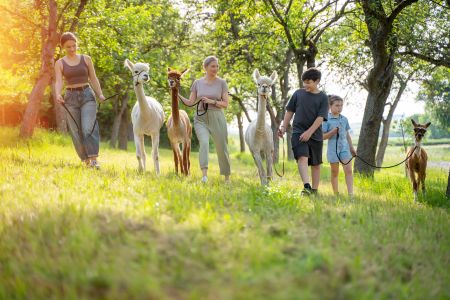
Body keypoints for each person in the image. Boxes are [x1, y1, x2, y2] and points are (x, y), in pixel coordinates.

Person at [54, 32, 105, 169]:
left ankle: (94, 159)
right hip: (70, 98)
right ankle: (86, 160)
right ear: (63, 47)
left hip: (87, 95)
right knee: (76, 131)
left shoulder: (86, 59)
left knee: (88, 127)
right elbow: (59, 81)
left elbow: (93, 78)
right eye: (68, 47)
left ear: (77, 44)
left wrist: (100, 94)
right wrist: (58, 93)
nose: (72, 49)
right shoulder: (60, 63)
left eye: (74, 45)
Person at [178, 56, 231, 183]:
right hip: (201, 118)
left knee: (221, 147)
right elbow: (190, 102)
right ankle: (204, 176)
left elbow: (226, 104)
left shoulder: (222, 83)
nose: (216, 68)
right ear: (205, 67)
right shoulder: (197, 83)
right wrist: (176, 94)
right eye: (213, 66)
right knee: (204, 143)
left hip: (217, 117)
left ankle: (227, 177)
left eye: (217, 66)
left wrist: (212, 101)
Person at [278, 68, 328, 196]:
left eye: (309, 82)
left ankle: (315, 191)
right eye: (304, 82)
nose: (305, 85)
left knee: (316, 164)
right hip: (298, 132)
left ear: (317, 81)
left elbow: (320, 117)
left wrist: (309, 132)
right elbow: (289, 111)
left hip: (315, 135)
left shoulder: (323, 97)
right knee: (302, 158)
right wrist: (283, 127)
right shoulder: (298, 94)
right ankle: (306, 187)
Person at [322, 95, 356, 197]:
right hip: (333, 150)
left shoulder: (344, 119)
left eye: (341, 105)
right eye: (337, 105)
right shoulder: (326, 119)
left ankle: (351, 194)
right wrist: (332, 132)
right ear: (330, 106)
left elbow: (347, 134)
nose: (339, 108)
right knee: (334, 172)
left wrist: (351, 148)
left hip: (344, 149)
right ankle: (336, 194)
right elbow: (322, 136)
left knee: (349, 171)